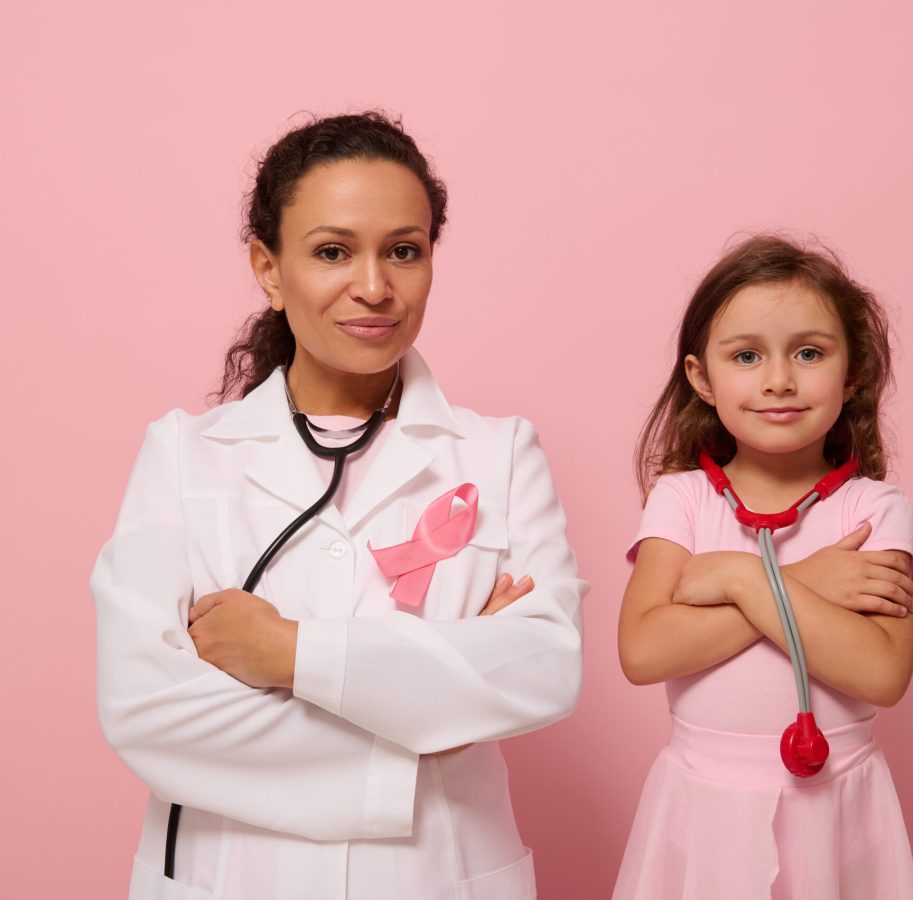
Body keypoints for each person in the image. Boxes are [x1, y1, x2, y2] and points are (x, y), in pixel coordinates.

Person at [91, 111, 586, 900]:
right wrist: (430, 714)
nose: (374, 286)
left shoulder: (499, 453)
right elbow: (146, 709)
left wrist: (289, 653)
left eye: (404, 251)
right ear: (268, 268)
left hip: (436, 877)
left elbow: (544, 671)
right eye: (331, 252)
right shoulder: (185, 454)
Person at [614, 235, 913, 899]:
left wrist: (736, 577)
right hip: (702, 808)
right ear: (701, 377)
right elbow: (642, 650)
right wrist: (803, 582)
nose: (778, 378)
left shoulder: (875, 508)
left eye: (808, 353)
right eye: (746, 356)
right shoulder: (682, 498)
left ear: (851, 370)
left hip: (836, 809)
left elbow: (882, 672)